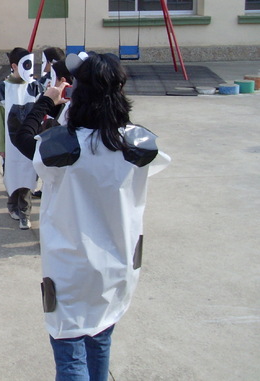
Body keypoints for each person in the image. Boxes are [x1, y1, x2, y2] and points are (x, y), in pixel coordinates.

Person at [12, 52, 170, 381]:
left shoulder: (64, 148)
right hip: (119, 265)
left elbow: (22, 136)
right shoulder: (136, 145)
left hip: (71, 269)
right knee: (100, 338)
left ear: (78, 94)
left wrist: (47, 101)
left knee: (70, 353)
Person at [0, 47, 42, 228]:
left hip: (30, 141)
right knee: (13, 176)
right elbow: (1, 120)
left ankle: (25, 212)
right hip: (11, 143)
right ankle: (13, 205)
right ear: (14, 66)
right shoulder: (4, 89)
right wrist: (1, 145)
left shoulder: (35, 87)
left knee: (27, 176)